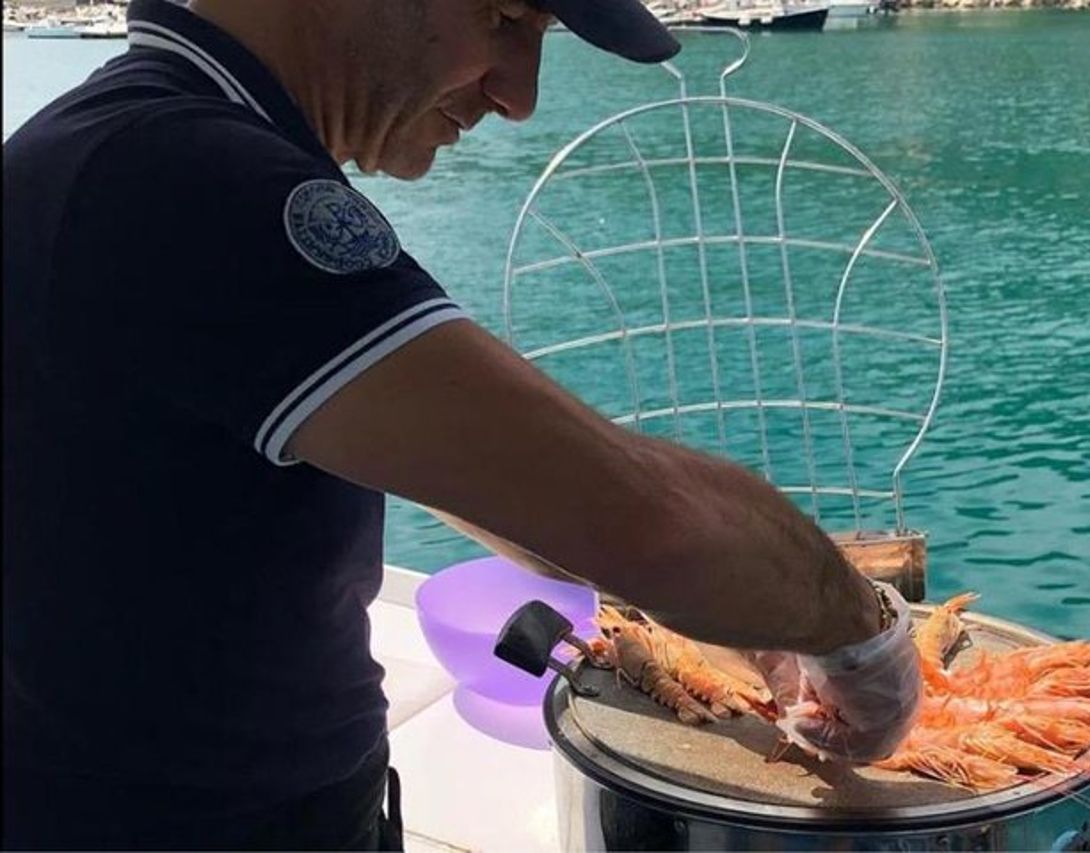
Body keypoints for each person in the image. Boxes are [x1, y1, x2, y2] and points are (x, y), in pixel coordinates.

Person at [2, 0, 920, 848]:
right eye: (507, 16)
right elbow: (651, 522)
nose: (519, 97)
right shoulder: (196, 179)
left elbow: (496, 480)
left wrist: (759, 623)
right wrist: (859, 626)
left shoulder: (113, 140)